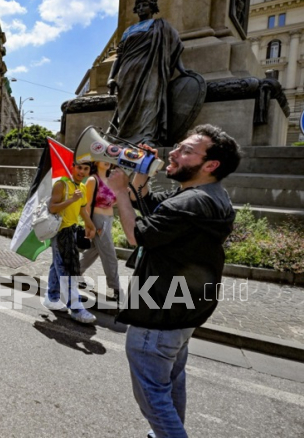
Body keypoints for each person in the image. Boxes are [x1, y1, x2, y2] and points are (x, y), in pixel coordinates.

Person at [109, 125, 239, 438]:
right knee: (170, 383)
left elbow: (137, 235)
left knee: (152, 396)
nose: (174, 153)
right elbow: (147, 204)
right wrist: (142, 171)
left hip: (159, 311)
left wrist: (116, 192)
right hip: (185, 308)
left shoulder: (188, 203)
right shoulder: (205, 196)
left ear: (210, 165)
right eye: (177, 146)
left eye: (186, 151)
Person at [108, 0, 186, 146]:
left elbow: (174, 50)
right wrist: (111, 77)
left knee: (150, 100)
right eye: (139, 6)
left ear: (152, 8)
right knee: (125, 107)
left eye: (145, 5)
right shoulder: (128, 30)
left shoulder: (161, 26)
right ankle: (124, 136)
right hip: (127, 71)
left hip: (152, 69)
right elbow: (119, 56)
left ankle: (147, 137)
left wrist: (182, 70)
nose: (141, 8)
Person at [42, 161, 97, 324]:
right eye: (79, 167)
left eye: (85, 169)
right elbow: (52, 208)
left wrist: (90, 224)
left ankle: (51, 298)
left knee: (57, 265)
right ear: (72, 167)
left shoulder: (83, 186)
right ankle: (76, 308)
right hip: (60, 232)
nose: (81, 171)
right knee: (66, 268)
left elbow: (81, 208)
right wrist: (72, 199)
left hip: (72, 230)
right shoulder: (62, 184)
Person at [80, 161, 122, 301]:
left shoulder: (110, 179)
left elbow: (112, 200)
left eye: (109, 158)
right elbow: (86, 204)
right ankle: (116, 288)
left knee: (94, 250)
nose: (107, 161)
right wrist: (89, 225)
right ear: (96, 161)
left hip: (108, 220)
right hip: (98, 221)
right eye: (103, 158)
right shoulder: (93, 180)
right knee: (109, 253)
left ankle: (72, 275)